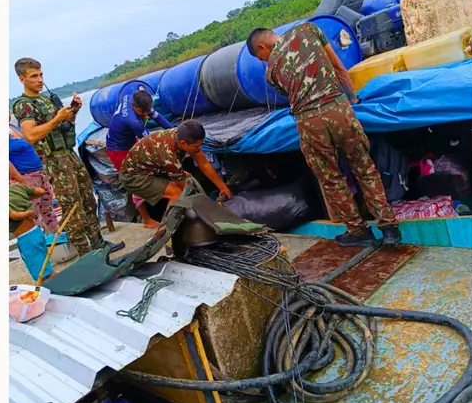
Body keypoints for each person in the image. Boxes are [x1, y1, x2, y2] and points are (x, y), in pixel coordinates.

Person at [247, 24, 401, 247]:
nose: (264, 61)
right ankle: (389, 229)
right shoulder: (309, 30)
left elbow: (293, 95)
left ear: (262, 46)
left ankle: (358, 231)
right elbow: (338, 68)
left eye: (261, 57)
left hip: (310, 122)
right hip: (338, 108)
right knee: (365, 168)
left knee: (331, 178)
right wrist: (353, 100)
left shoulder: (271, 72)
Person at [11, 57, 105, 257]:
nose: (39, 80)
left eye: (41, 74)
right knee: (72, 207)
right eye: (34, 76)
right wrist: (57, 118)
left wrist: (73, 111)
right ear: (22, 79)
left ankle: (99, 244)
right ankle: (86, 254)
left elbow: (64, 125)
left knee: (88, 199)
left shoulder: (45, 99)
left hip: (68, 154)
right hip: (54, 160)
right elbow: (30, 135)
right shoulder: (23, 105)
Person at [118, 120, 231, 228]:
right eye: (196, 146)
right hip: (133, 177)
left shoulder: (183, 134)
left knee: (187, 178)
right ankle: (167, 230)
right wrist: (208, 212)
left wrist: (223, 187)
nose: (199, 149)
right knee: (176, 193)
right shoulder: (169, 156)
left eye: (200, 144)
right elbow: (185, 190)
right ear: (183, 143)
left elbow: (204, 164)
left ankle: (160, 223)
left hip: (150, 167)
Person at [9, 111, 58, 234]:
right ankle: (37, 241)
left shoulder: (13, 127)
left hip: (39, 173)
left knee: (48, 208)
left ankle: (55, 237)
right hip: (24, 176)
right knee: (32, 212)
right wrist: (22, 180)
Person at [105, 88, 174, 171]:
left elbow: (157, 117)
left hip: (128, 137)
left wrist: (173, 129)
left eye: (147, 111)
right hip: (117, 149)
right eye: (143, 112)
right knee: (128, 175)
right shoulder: (134, 122)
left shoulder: (129, 97)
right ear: (135, 107)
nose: (146, 114)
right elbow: (150, 142)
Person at [9, 183, 55, 281]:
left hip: (26, 239)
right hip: (36, 232)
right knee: (45, 266)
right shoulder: (18, 188)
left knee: (42, 274)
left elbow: (14, 215)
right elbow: (41, 191)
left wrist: (28, 213)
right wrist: (28, 198)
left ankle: (57, 288)